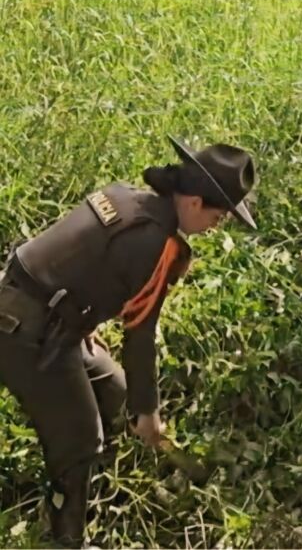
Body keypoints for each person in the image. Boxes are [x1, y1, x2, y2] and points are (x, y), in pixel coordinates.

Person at [0, 136, 257, 547]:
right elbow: (140, 333)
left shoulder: (128, 197)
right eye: (219, 217)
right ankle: (65, 538)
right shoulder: (155, 242)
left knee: (114, 391)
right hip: (26, 330)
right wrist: (148, 412)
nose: (215, 227)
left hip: (42, 314)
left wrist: (82, 316)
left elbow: (83, 259)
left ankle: (88, 494)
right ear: (194, 202)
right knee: (83, 438)